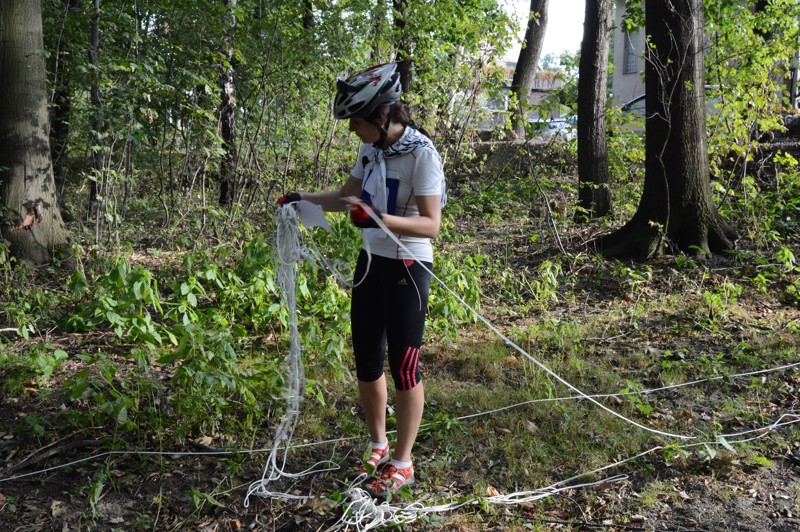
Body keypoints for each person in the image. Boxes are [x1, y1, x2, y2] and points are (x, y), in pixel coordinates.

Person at [276, 62, 445, 497]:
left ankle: (403, 462)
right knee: (367, 359)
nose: (352, 128)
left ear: (383, 116)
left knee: (404, 366)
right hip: (371, 264)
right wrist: (300, 199)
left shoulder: (421, 153)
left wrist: (378, 217)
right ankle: (378, 444)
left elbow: (431, 224)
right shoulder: (370, 149)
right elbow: (345, 197)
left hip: (409, 267)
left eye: (356, 120)